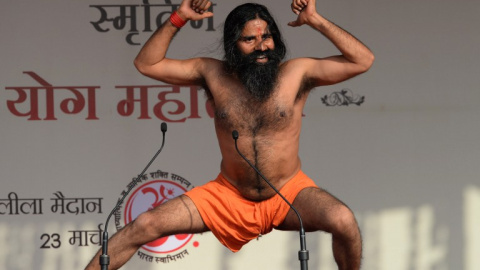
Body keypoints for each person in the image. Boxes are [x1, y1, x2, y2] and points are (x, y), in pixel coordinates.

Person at [86, 0, 374, 269]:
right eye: (249, 39)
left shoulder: (298, 73)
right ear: (232, 45)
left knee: (343, 220)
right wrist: (180, 17)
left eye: (267, 37)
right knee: (145, 224)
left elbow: (363, 60)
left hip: (288, 192)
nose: (262, 47)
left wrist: (315, 20)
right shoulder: (211, 73)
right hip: (227, 196)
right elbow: (147, 64)